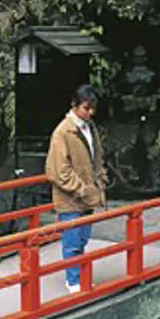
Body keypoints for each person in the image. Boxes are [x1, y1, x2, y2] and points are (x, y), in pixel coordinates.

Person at [45, 84, 108, 293]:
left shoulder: (90, 128)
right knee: (72, 241)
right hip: (70, 197)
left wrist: (101, 180)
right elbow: (58, 171)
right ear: (74, 106)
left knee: (81, 239)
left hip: (87, 193)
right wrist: (83, 189)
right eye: (86, 108)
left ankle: (79, 277)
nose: (90, 112)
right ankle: (73, 281)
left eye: (92, 108)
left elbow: (97, 157)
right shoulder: (62, 132)